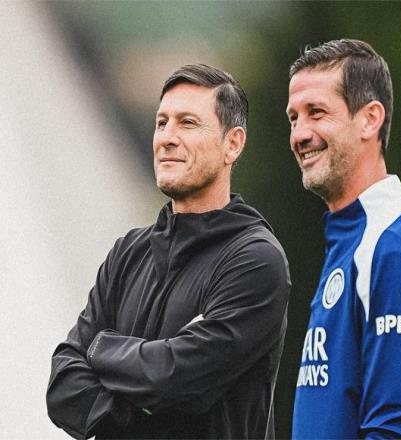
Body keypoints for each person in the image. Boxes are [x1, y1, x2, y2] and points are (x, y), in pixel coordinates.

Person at [46, 64, 291, 439]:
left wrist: (99, 349)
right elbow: (62, 385)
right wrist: (140, 396)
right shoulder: (128, 253)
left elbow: (175, 377)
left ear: (233, 144)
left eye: (188, 123)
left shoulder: (255, 261)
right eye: (162, 123)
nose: (167, 138)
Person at [286, 39, 401, 439]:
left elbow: (392, 430)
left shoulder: (392, 249)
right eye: (293, 118)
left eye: (316, 112)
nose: (299, 134)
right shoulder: (354, 238)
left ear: (369, 120)